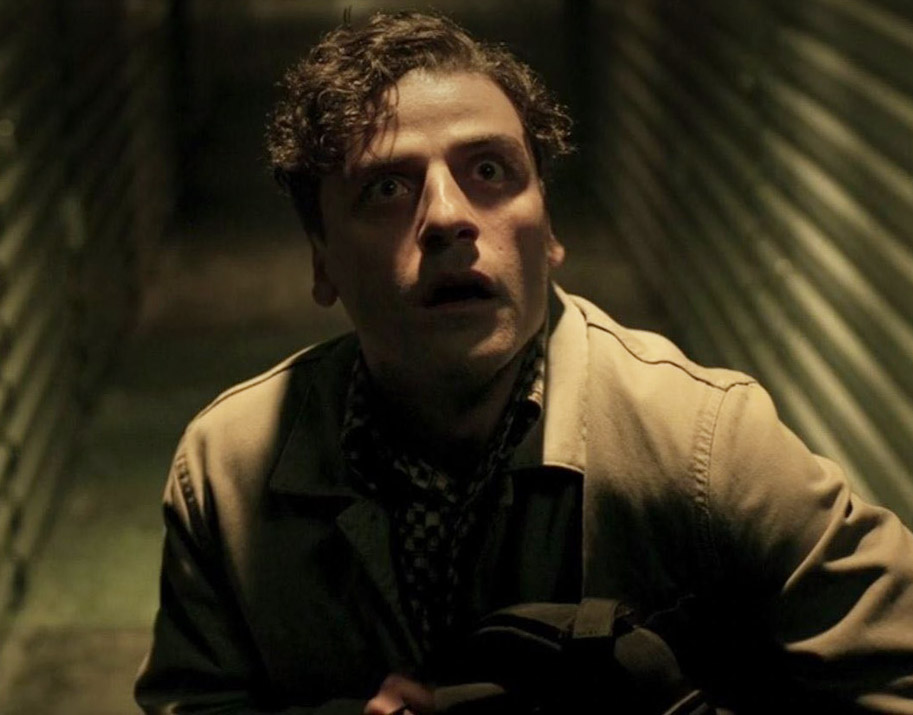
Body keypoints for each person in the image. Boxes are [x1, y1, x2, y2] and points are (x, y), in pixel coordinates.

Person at [134, 10, 913, 714]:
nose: (446, 217)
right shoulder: (228, 472)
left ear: (549, 230)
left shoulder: (702, 443)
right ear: (321, 259)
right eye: (387, 187)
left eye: (488, 171)